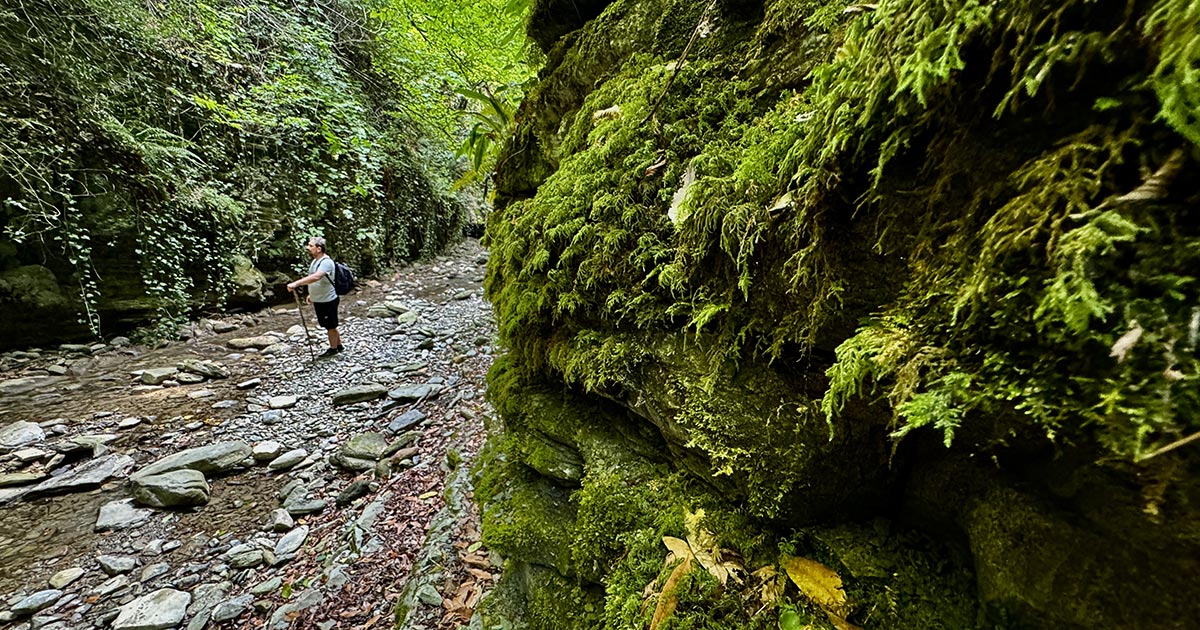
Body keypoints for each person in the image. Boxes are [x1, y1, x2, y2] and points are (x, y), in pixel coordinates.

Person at [287, 236, 343, 358]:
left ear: (319, 248)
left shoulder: (326, 262)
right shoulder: (315, 261)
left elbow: (316, 277)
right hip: (320, 299)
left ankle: (333, 349)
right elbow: (316, 281)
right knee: (329, 324)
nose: (308, 248)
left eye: (310, 245)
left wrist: (296, 283)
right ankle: (339, 346)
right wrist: (311, 295)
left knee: (330, 325)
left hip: (328, 299)